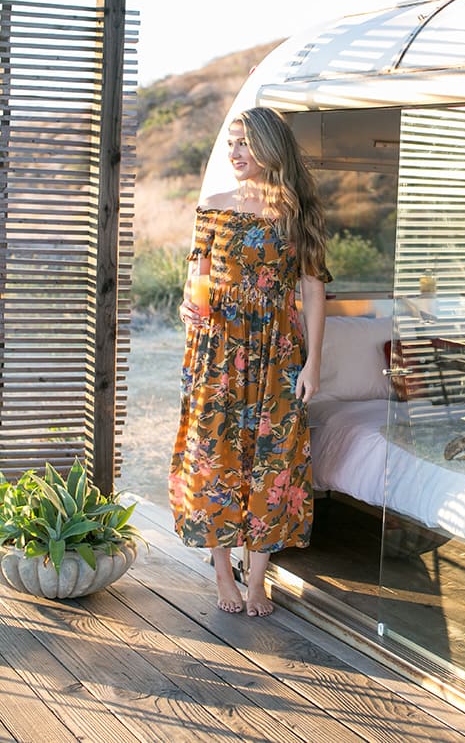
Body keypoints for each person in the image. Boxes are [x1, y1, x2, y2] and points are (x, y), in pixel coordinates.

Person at [169, 106, 331, 617]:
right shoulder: (212, 205)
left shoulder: (295, 212)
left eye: (245, 143)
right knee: (217, 457)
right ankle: (223, 572)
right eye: (231, 143)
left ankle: (257, 579)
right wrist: (185, 306)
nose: (235, 153)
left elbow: (312, 290)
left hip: (277, 352)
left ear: (269, 149)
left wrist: (313, 364)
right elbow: (194, 282)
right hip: (217, 350)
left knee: (273, 460)